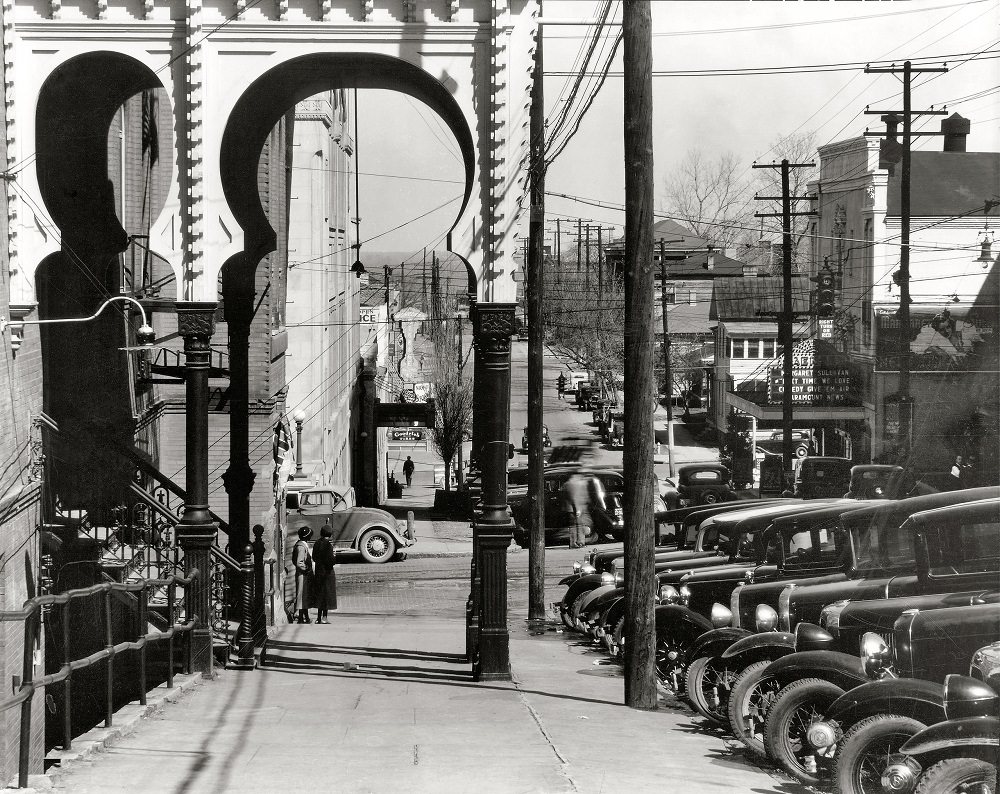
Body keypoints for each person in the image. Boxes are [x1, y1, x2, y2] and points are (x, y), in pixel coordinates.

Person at [312, 524, 337, 623]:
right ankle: (324, 617)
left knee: (320, 595)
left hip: (318, 572)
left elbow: (314, 557)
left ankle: (318, 617)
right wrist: (334, 557)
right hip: (327, 573)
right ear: (330, 534)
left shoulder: (317, 543)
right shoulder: (328, 545)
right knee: (326, 596)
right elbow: (331, 561)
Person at [561, 473, 592, 549]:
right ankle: (576, 543)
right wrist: (577, 508)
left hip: (571, 508)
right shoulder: (573, 484)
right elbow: (574, 498)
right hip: (574, 508)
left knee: (575, 526)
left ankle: (577, 542)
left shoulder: (567, 484)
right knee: (576, 526)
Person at [292, 527, 313, 624]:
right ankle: (301, 617)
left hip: (302, 574)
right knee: (302, 596)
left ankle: (305, 617)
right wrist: (306, 569)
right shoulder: (301, 547)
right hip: (302, 575)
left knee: (304, 596)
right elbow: (299, 562)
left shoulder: (299, 545)